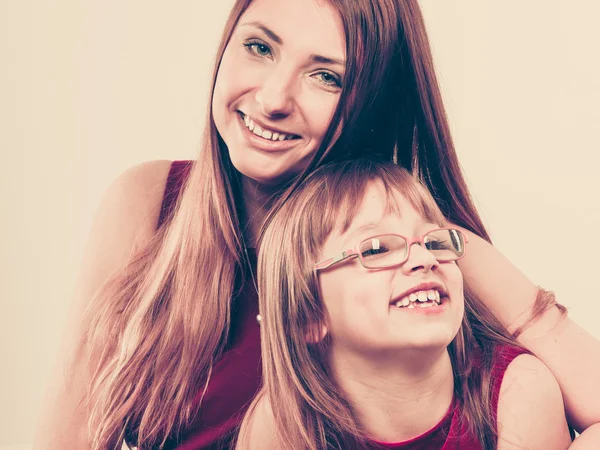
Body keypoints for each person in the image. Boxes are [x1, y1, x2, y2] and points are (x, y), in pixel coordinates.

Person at [33, 0, 600, 449]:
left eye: (326, 77)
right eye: (259, 47)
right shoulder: (148, 202)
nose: (274, 98)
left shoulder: (423, 250)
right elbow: (68, 434)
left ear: (371, 102)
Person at [236, 158, 572, 450]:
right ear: (309, 315)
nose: (424, 258)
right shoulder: (281, 424)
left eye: (435, 241)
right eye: (378, 248)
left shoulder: (519, 391)